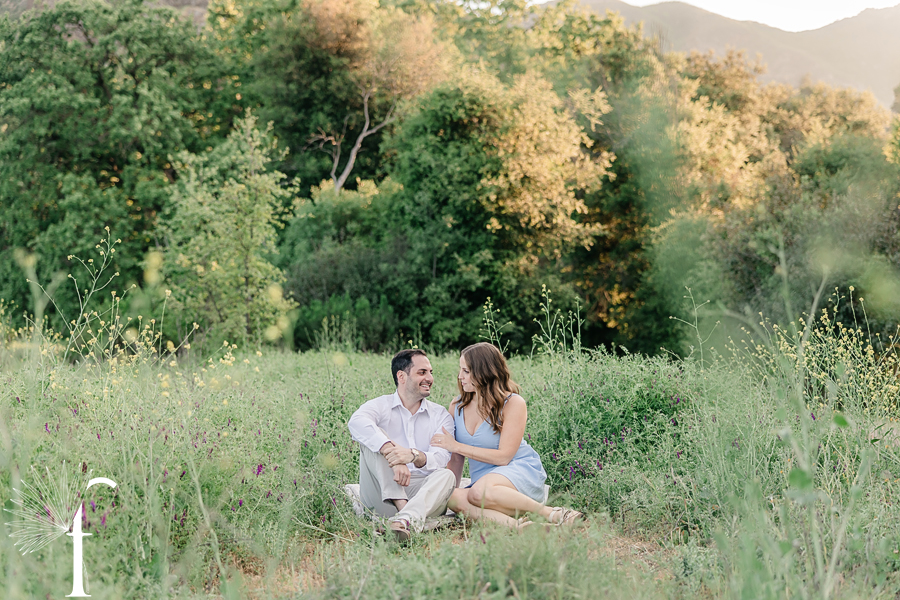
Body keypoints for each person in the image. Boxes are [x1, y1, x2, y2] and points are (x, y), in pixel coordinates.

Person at [431, 342, 583, 528]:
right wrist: (450, 490)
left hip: (517, 470)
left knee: (478, 492)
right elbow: (456, 458)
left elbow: (504, 457)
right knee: (453, 497)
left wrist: (457, 446)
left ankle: (552, 513)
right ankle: (518, 527)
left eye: (466, 371)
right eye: (460, 369)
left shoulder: (513, 403)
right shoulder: (457, 405)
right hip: (483, 482)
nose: (459, 376)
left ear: (484, 372)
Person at [348, 349, 456, 542]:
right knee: (376, 438)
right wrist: (394, 456)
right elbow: (356, 422)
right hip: (382, 498)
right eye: (422, 372)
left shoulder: (440, 415)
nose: (430, 378)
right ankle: (405, 513)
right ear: (401, 376)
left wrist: (413, 455)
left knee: (447, 475)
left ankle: (404, 520)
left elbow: (441, 458)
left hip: (423, 498)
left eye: (430, 372)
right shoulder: (381, 405)